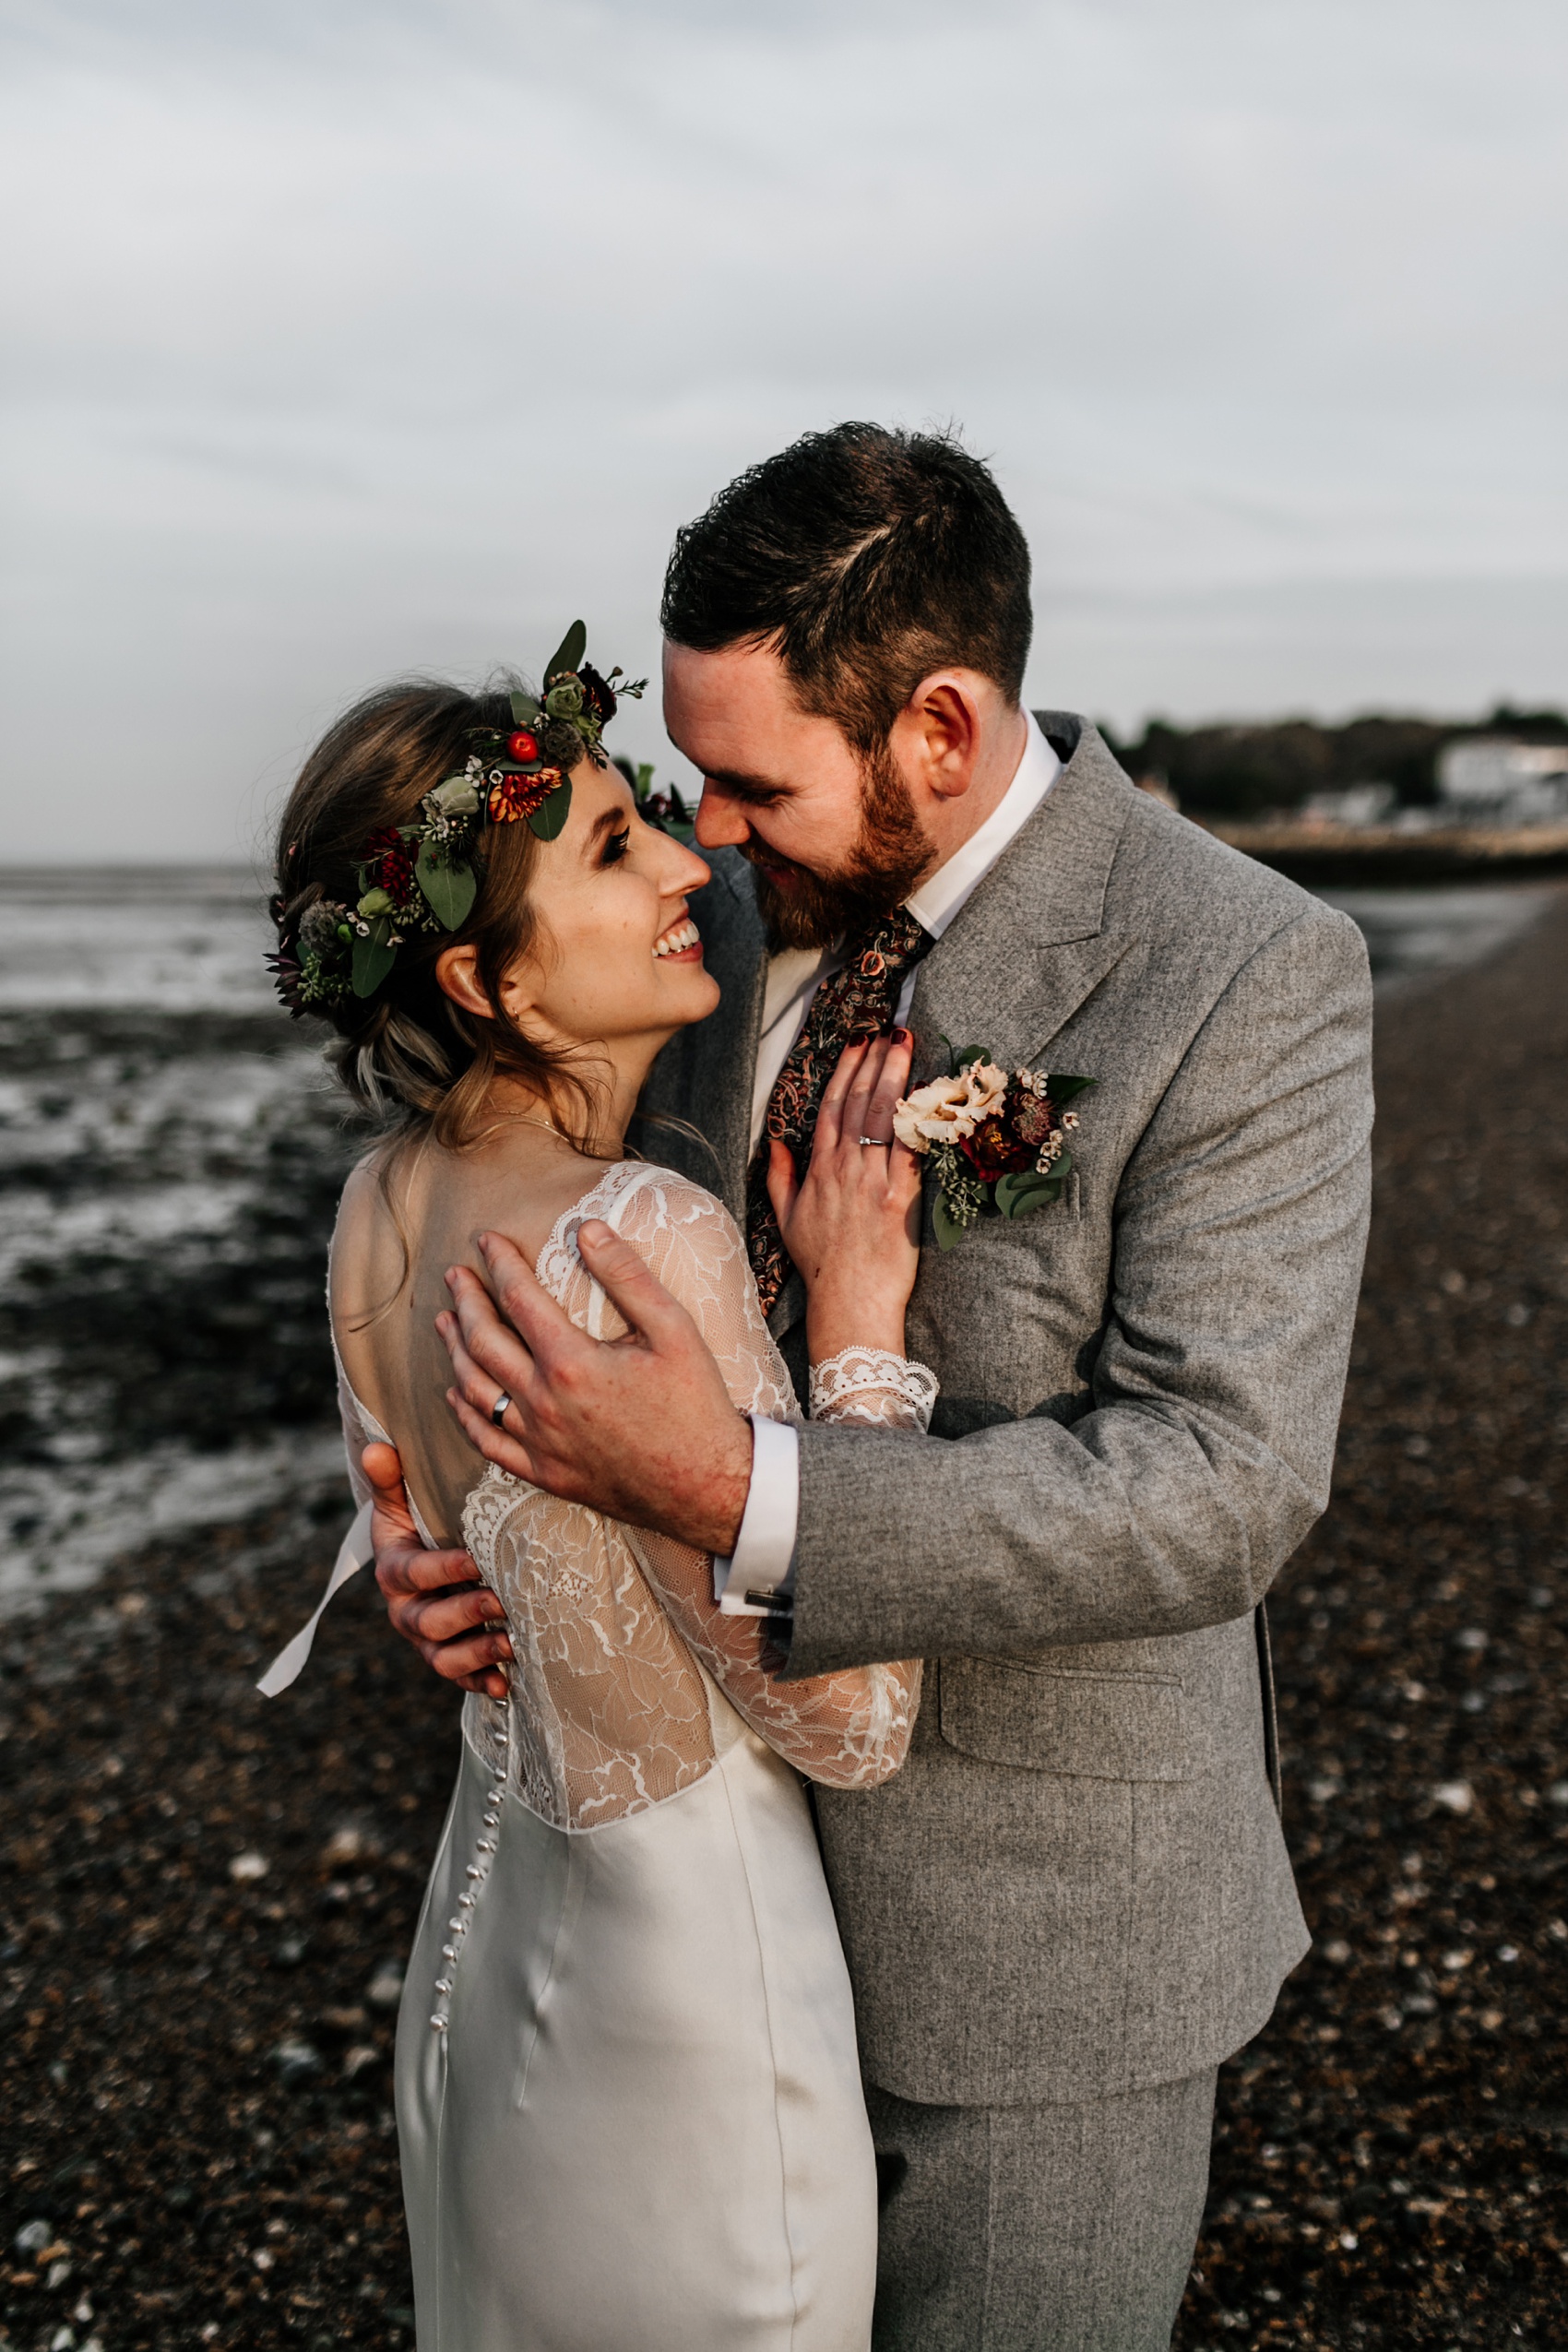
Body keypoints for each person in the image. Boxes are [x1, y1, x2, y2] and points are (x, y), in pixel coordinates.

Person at [374, 425, 1376, 2351]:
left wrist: (736, 1487)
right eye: (683, 785)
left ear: (935, 724)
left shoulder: (1243, 968)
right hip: (696, 1913)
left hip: (1029, 1955)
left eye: (749, 786)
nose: (703, 841)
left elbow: (1220, 1478)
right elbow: (576, 1247)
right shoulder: (715, 923)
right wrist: (472, 1551)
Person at [258, 637, 938, 2351]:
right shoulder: (642, 1234)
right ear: (488, 983)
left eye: (649, 820)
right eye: (615, 853)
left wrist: (417, 1577)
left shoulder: (379, 1209)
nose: (684, 869)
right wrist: (859, 1330)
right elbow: (855, 1721)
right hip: (700, 2011)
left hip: (489, 1955)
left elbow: (424, 1538)